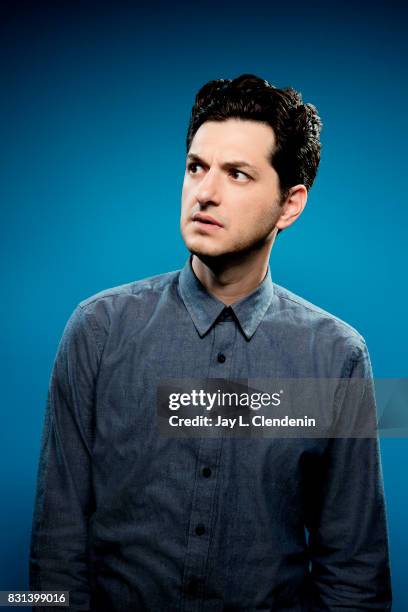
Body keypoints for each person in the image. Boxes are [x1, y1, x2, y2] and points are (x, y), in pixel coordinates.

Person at [29, 74, 392, 611]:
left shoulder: (337, 358)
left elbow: (354, 571)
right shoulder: (98, 331)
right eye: (196, 167)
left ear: (290, 205)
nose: (205, 191)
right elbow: (57, 549)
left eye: (237, 174)